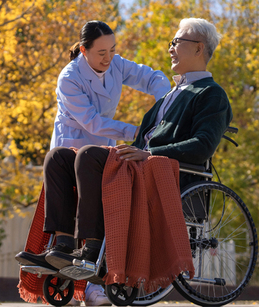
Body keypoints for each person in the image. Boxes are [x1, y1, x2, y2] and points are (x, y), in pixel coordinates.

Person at [41, 17, 232, 269]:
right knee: (58, 157)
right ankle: (62, 244)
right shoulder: (173, 94)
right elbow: (126, 129)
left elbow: (202, 145)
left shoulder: (210, 93)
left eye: (177, 42)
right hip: (138, 161)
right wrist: (140, 146)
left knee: (88, 155)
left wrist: (149, 152)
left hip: (159, 169)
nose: (170, 48)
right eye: (171, 42)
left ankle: (92, 247)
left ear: (198, 47)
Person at [17, 20, 171, 306]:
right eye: (101, 52)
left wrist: (166, 104)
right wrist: (135, 132)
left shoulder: (115, 64)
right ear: (83, 50)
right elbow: (92, 122)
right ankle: (63, 249)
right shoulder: (69, 77)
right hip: (72, 143)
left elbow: (151, 77)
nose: (108, 57)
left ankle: (91, 273)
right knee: (67, 175)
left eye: (112, 50)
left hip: (97, 150)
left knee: (93, 191)